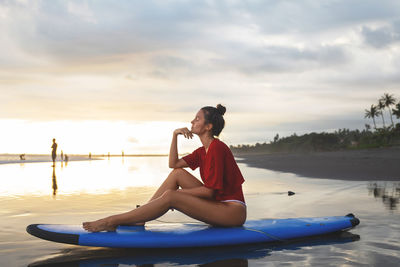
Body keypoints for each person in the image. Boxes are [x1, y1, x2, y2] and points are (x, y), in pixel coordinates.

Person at [83, 104, 246, 232]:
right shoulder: (202, 151)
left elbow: (209, 191)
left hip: (232, 212)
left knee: (170, 196)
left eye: (197, 119)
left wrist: (176, 195)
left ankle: (112, 221)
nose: (192, 122)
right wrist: (174, 135)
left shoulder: (217, 148)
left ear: (208, 126)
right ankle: (141, 217)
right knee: (178, 174)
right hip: (219, 203)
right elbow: (173, 165)